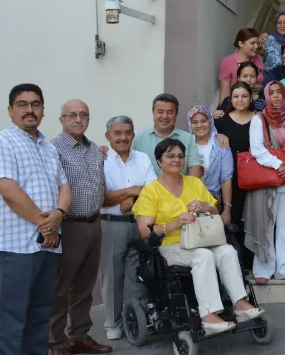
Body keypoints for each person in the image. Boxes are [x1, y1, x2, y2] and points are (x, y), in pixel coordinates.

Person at [0, 83, 70, 355]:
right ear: (11, 110)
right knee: (13, 313)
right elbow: (9, 190)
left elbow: (64, 186)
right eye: (22, 104)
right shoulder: (1, 142)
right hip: (14, 245)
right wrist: (46, 224)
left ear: (43, 110)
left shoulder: (48, 148)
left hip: (47, 243)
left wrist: (59, 214)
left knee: (41, 308)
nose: (29, 110)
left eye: (35, 104)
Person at [133, 138, 264, 334]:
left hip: (202, 239)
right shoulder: (150, 191)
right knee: (203, 256)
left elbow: (215, 210)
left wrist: (205, 206)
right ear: (159, 161)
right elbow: (145, 230)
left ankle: (239, 303)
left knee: (227, 250)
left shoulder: (194, 183)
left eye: (180, 156)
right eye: (170, 156)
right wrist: (176, 223)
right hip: (172, 245)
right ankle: (208, 315)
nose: (176, 160)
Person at [48, 99, 111, 355]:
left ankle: (79, 336)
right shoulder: (52, 149)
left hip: (94, 223)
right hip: (69, 226)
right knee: (60, 288)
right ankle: (57, 343)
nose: (78, 119)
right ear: (61, 119)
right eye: (72, 115)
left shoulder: (94, 149)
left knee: (85, 287)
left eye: (83, 115)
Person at [100, 115, 155, 341]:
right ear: (108, 136)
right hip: (112, 225)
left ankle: (135, 320)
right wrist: (132, 190)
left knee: (137, 275)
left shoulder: (142, 158)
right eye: (117, 133)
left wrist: (131, 198)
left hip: (139, 223)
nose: (123, 137)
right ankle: (113, 323)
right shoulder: (101, 160)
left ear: (133, 134)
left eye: (127, 133)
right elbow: (101, 197)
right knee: (112, 276)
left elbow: (151, 191)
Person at [247, 81, 285, 283]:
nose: (276, 96)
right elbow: (257, 149)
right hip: (268, 182)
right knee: (266, 225)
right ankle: (263, 270)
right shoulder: (258, 120)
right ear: (266, 96)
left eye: (279, 92)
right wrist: (281, 165)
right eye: (271, 93)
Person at [212, 85, 255, 268]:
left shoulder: (259, 119)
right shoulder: (221, 122)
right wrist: (218, 134)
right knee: (234, 220)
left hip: (255, 178)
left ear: (251, 98)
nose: (240, 100)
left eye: (244, 96)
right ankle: (237, 264)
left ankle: (254, 262)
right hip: (232, 179)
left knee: (254, 220)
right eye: (236, 96)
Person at [133, 94, 202, 177]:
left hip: (180, 185)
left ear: (176, 114)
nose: (165, 116)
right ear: (153, 113)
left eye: (170, 112)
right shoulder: (139, 138)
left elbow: (194, 169)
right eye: (160, 112)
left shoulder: (187, 138)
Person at [188, 104, 234, 211]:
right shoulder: (185, 143)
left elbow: (226, 179)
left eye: (203, 121)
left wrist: (227, 209)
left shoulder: (221, 144)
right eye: (195, 122)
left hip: (211, 199)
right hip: (187, 199)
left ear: (210, 121)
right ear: (190, 124)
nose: (199, 125)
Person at [219, 28, 264, 104]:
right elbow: (224, 93)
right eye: (252, 43)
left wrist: (262, 87)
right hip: (237, 105)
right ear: (241, 44)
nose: (256, 46)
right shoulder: (227, 62)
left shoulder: (259, 59)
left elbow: (262, 81)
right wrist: (223, 109)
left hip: (258, 103)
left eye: (257, 43)